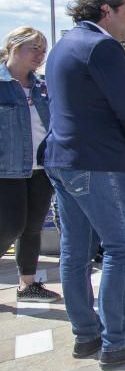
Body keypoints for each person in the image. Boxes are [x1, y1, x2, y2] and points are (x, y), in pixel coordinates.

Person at [43, 0, 125, 366]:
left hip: (63, 159)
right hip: (96, 162)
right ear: (106, 10)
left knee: (76, 251)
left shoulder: (63, 45)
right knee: (121, 248)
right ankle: (118, 340)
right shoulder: (103, 47)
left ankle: (86, 335)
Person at [0, 27, 60, 303]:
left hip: (40, 168)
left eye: (43, 49)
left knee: (33, 226)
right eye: (33, 47)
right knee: (9, 226)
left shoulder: (42, 86)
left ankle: (28, 284)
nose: (40, 54)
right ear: (13, 45)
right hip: (7, 169)